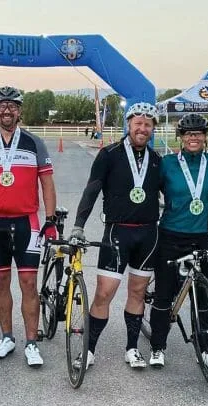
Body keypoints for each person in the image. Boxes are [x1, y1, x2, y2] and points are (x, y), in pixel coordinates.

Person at [0, 86, 57, 367]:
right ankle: (7, 337)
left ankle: (31, 342)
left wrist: (50, 220)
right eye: (1, 106)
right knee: (1, 281)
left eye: (12, 106)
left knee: (28, 283)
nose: (7, 110)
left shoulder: (34, 143)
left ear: (19, 111)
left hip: (27, 222)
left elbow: (47, 183)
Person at [68, 102, 162, 370]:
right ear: (129, 124)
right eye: (138, 123)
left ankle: (132, 349)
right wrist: (78, 225)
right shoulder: (109, 154)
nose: (142, 128)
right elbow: (92, 190)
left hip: (148, 234)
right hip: (117, 232)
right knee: (104, 294)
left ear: (153, 128)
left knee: (138, 293)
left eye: (148, 124)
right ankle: (88, 350)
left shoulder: (157, 159)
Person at [149, 113, 208, 368]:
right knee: (163, 295)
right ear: (181, 137)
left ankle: (204, 350)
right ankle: (158, 347)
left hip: (201, 236)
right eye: (188, 134)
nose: (194, 138)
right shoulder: (168, 163)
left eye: (198, 134)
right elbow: (152, 190)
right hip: (170, 234)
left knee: (201, 297)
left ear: (205, 137)